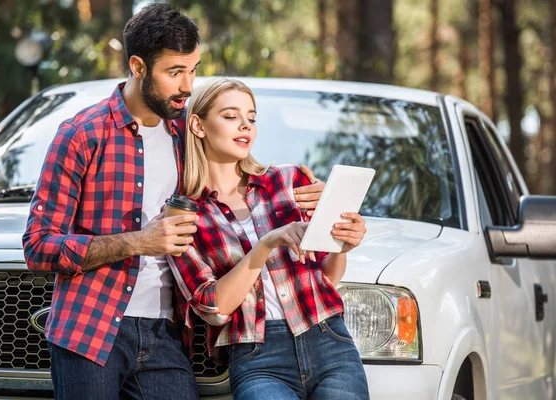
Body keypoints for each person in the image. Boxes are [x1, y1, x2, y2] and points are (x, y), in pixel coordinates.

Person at [22, 4, 324, 400]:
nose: (188, 85)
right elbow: (38, 246)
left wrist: (309, 193)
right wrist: (137, 242)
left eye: (194, 69)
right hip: (91, 328)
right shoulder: (82, 135)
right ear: (138, 66)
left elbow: (245, 175)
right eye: (175, 72)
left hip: (169, 335)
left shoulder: (190, 133)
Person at [169, 77, 370, 400]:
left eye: (251, 117)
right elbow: (213, 307)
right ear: (198, 125)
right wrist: (265, 245)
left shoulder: (290, 182)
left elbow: (328, 275)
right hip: (257, 357)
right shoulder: (187, 214)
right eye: (231, 116)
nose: (245, 126)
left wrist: (342, 245)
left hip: (329, 339)